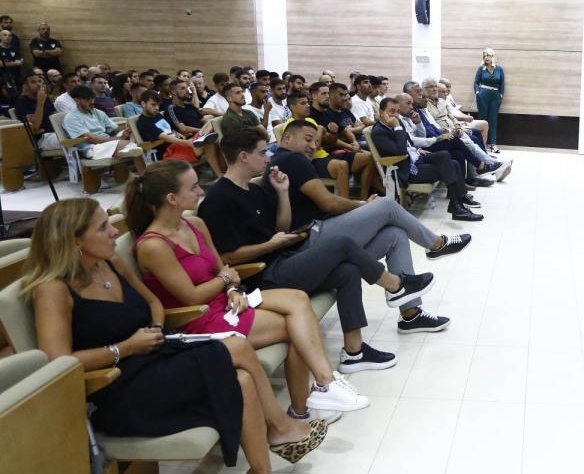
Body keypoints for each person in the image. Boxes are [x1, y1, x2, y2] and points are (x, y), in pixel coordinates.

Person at [21, 198, 327, 472]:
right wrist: (125, 348)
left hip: (153, 354)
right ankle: (279, 428)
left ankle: (265, 464)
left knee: (244, 378)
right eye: (103, 228)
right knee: (235, 347)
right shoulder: (52, 289)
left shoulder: (108, 263)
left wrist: (155, 328)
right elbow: (59, 361)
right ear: (74, 241)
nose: (115, 232)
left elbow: (152, 302)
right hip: (117, 384)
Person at [126, 160, 371, 422]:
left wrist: (232, 289)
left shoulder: (195, 224)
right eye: (194, 187)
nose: (200, 191)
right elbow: (192, 296)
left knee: (298, 300)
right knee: (297, 327)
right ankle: (312, 397)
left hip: (226, 302)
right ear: (172, 198)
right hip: (197, 319)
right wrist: (225, 280)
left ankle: (321, 389)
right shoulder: (153, 246)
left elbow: (225, 270)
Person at [200, 128, 437, 372]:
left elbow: (280, 227)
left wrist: (282, 194)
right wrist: (271, 245)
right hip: (262, 277)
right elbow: (226, 256)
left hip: (283, 259)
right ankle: (395, 286)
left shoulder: (255, 189)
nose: (268, 158)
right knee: (341, 243)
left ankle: (354, 353)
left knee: (348, 270)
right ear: (243, 156)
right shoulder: (219, 199)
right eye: (262, 153)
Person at [270, 121, 472, 332]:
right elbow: (328, 202)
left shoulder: (290, 161)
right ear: (286, 139)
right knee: (386, 204)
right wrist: (364, 205)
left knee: (395, 234)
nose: (313, 145)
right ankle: (437, 244)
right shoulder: (290, 159)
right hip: (310, 240)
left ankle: (411, 315)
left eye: (316, 140)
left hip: (319, 234)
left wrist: (361, 207)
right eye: (307, 139)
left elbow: (325, 204)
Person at [375, 97, 483, 221]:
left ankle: (457, 202)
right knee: (451, 165)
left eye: (397, 111)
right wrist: (398, 127)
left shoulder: (395, 124)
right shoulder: (380, 131)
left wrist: (417, 150)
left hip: (415, 158)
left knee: (447, 157)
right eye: (391, 111)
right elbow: (400, 151)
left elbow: (408, 143)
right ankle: (457, 205)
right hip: (406, 170)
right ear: (381, 112)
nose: (395, 115)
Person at [62, 85, 144, 171]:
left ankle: (132, 150)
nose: (92, 102)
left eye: (92, 98)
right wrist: (119, 138)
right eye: (87, 99)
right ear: (77, 100)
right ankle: (144, 176)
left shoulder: (97, 112)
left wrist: (127, 128)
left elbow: (114, 129)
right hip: (93, 148)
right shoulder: (71, 118)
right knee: (137, 146)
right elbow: (93, 139)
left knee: (136, 131)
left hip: (108, 141)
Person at [134, 90, 220, 170]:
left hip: (178, 146)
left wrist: (177, 134)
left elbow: (169, 131)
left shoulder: (158, 115)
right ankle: (201, 139)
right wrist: (186, 143)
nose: (157, 108)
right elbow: (165, 137)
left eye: (158, 105)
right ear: (143, 104)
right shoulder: (143, 122)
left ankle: (218, 174)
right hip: (169, 153)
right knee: (210, 131)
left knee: (210, 125)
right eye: (153, 105)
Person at [13, 72, 60, 150]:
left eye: (39, 81)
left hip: (55, 132)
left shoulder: (46, 98)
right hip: (42, 138)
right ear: (25, 86)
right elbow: (34, 126)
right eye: (33, 82)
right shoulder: (22, 101)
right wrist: (40, 102)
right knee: (68, 138)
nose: (38, 84)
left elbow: (54, 115)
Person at [473, 48, 504, 151]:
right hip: (483, 95)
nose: (486, 57)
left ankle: (493, 144)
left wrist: (500, 95)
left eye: (488, 55)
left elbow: (502, 84)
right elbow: (476, 82)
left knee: (493, 120)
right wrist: (477, 92)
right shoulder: (481, 68)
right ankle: (483, 144)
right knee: (483, 119)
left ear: (493, 57)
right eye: (485, 56)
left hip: (495, 96)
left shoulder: (499, 69)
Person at [0, 30, 23, 96]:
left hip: (16, 76)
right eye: (5, 35)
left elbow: (20, 62)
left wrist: (6, 63)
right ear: (0, 37)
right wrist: (14, 63)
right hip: (2, 77)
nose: (8, 37)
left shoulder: (14, 48)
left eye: (10, 35)